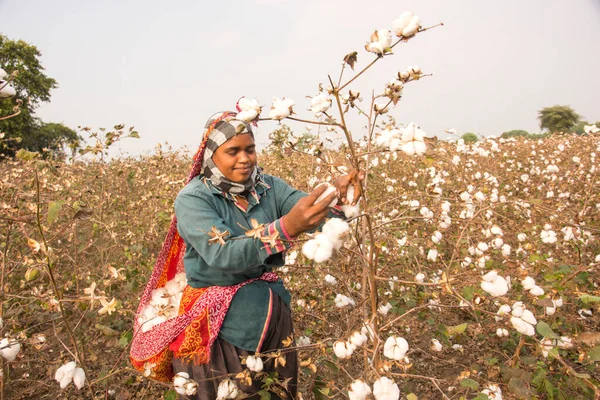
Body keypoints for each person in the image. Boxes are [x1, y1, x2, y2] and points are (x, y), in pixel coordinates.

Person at [131, 110, 362, 399]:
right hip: (220, 330)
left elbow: (308, 210)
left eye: (250, 149)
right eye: (233, 151)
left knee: (274, 392)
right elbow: (223, 255)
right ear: (211, 155)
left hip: (271, 320)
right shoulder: (193, 199)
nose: (245, 158)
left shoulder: (268, 187)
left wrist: (340, 197)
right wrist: (286, 228)